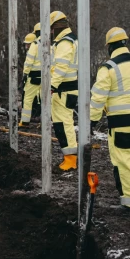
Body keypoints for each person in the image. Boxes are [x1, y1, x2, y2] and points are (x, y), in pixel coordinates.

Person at [90, 27, 130, 210]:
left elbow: (98, 97)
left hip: (121, 123)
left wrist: (91, 120)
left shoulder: (109, 68)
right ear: (125, 43)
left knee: (123, 161)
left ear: (109, 47)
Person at [50, 11, 79, 170]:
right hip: (66, 90)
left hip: (63, 90)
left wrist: (51, 86)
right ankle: (69, 158)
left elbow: (61, 67)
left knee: (64, 124)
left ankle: (70, 160)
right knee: (64, 123)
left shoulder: (65, 43)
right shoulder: (70, 41)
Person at [20, 26, 41, 127]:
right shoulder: (49, 44)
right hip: (46, 76)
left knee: (28, 99)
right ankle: (45, 122)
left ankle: (25, 121)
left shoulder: (35, 45)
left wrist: (25, 74)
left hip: (33, 76)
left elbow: (29, 62)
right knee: (44, 99)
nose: (26, 47)